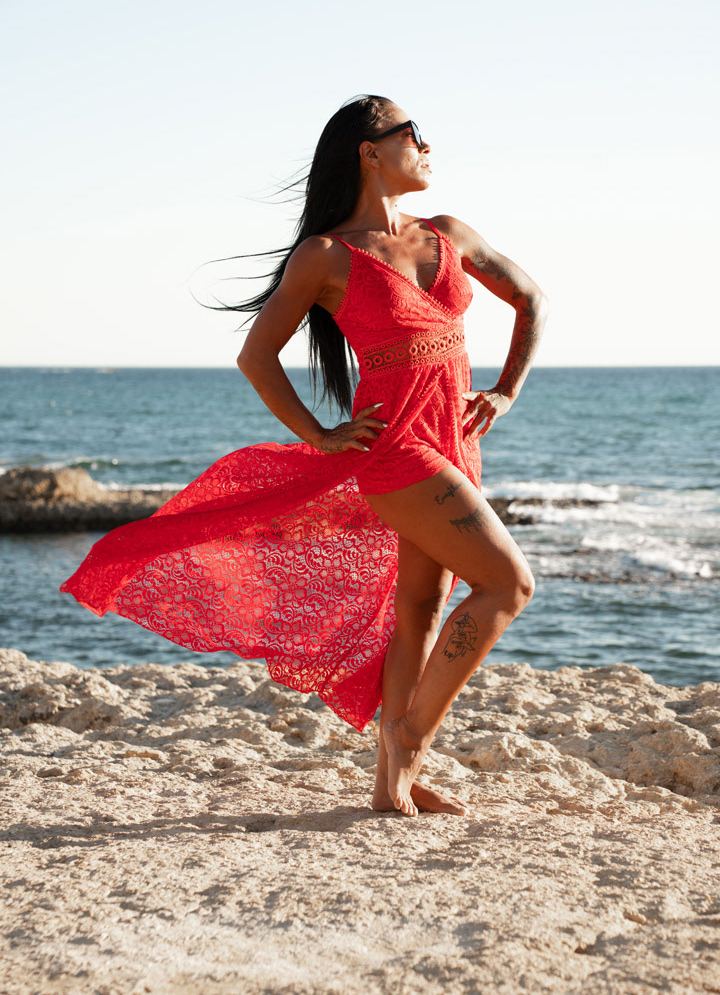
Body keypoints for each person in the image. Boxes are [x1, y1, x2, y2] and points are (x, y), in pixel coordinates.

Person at [60, 94, 548, 819]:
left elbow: (531, 299)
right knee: (510, 583)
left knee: (417, 608)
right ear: (370, 150)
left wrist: (506, 393)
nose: (427, 145)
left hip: (456, 441)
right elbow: (258, 355)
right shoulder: (326, 256)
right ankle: (410, 739)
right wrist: (321, 435)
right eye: (414, 134)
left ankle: (392, 787)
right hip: (397, 449)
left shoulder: (447, 233)